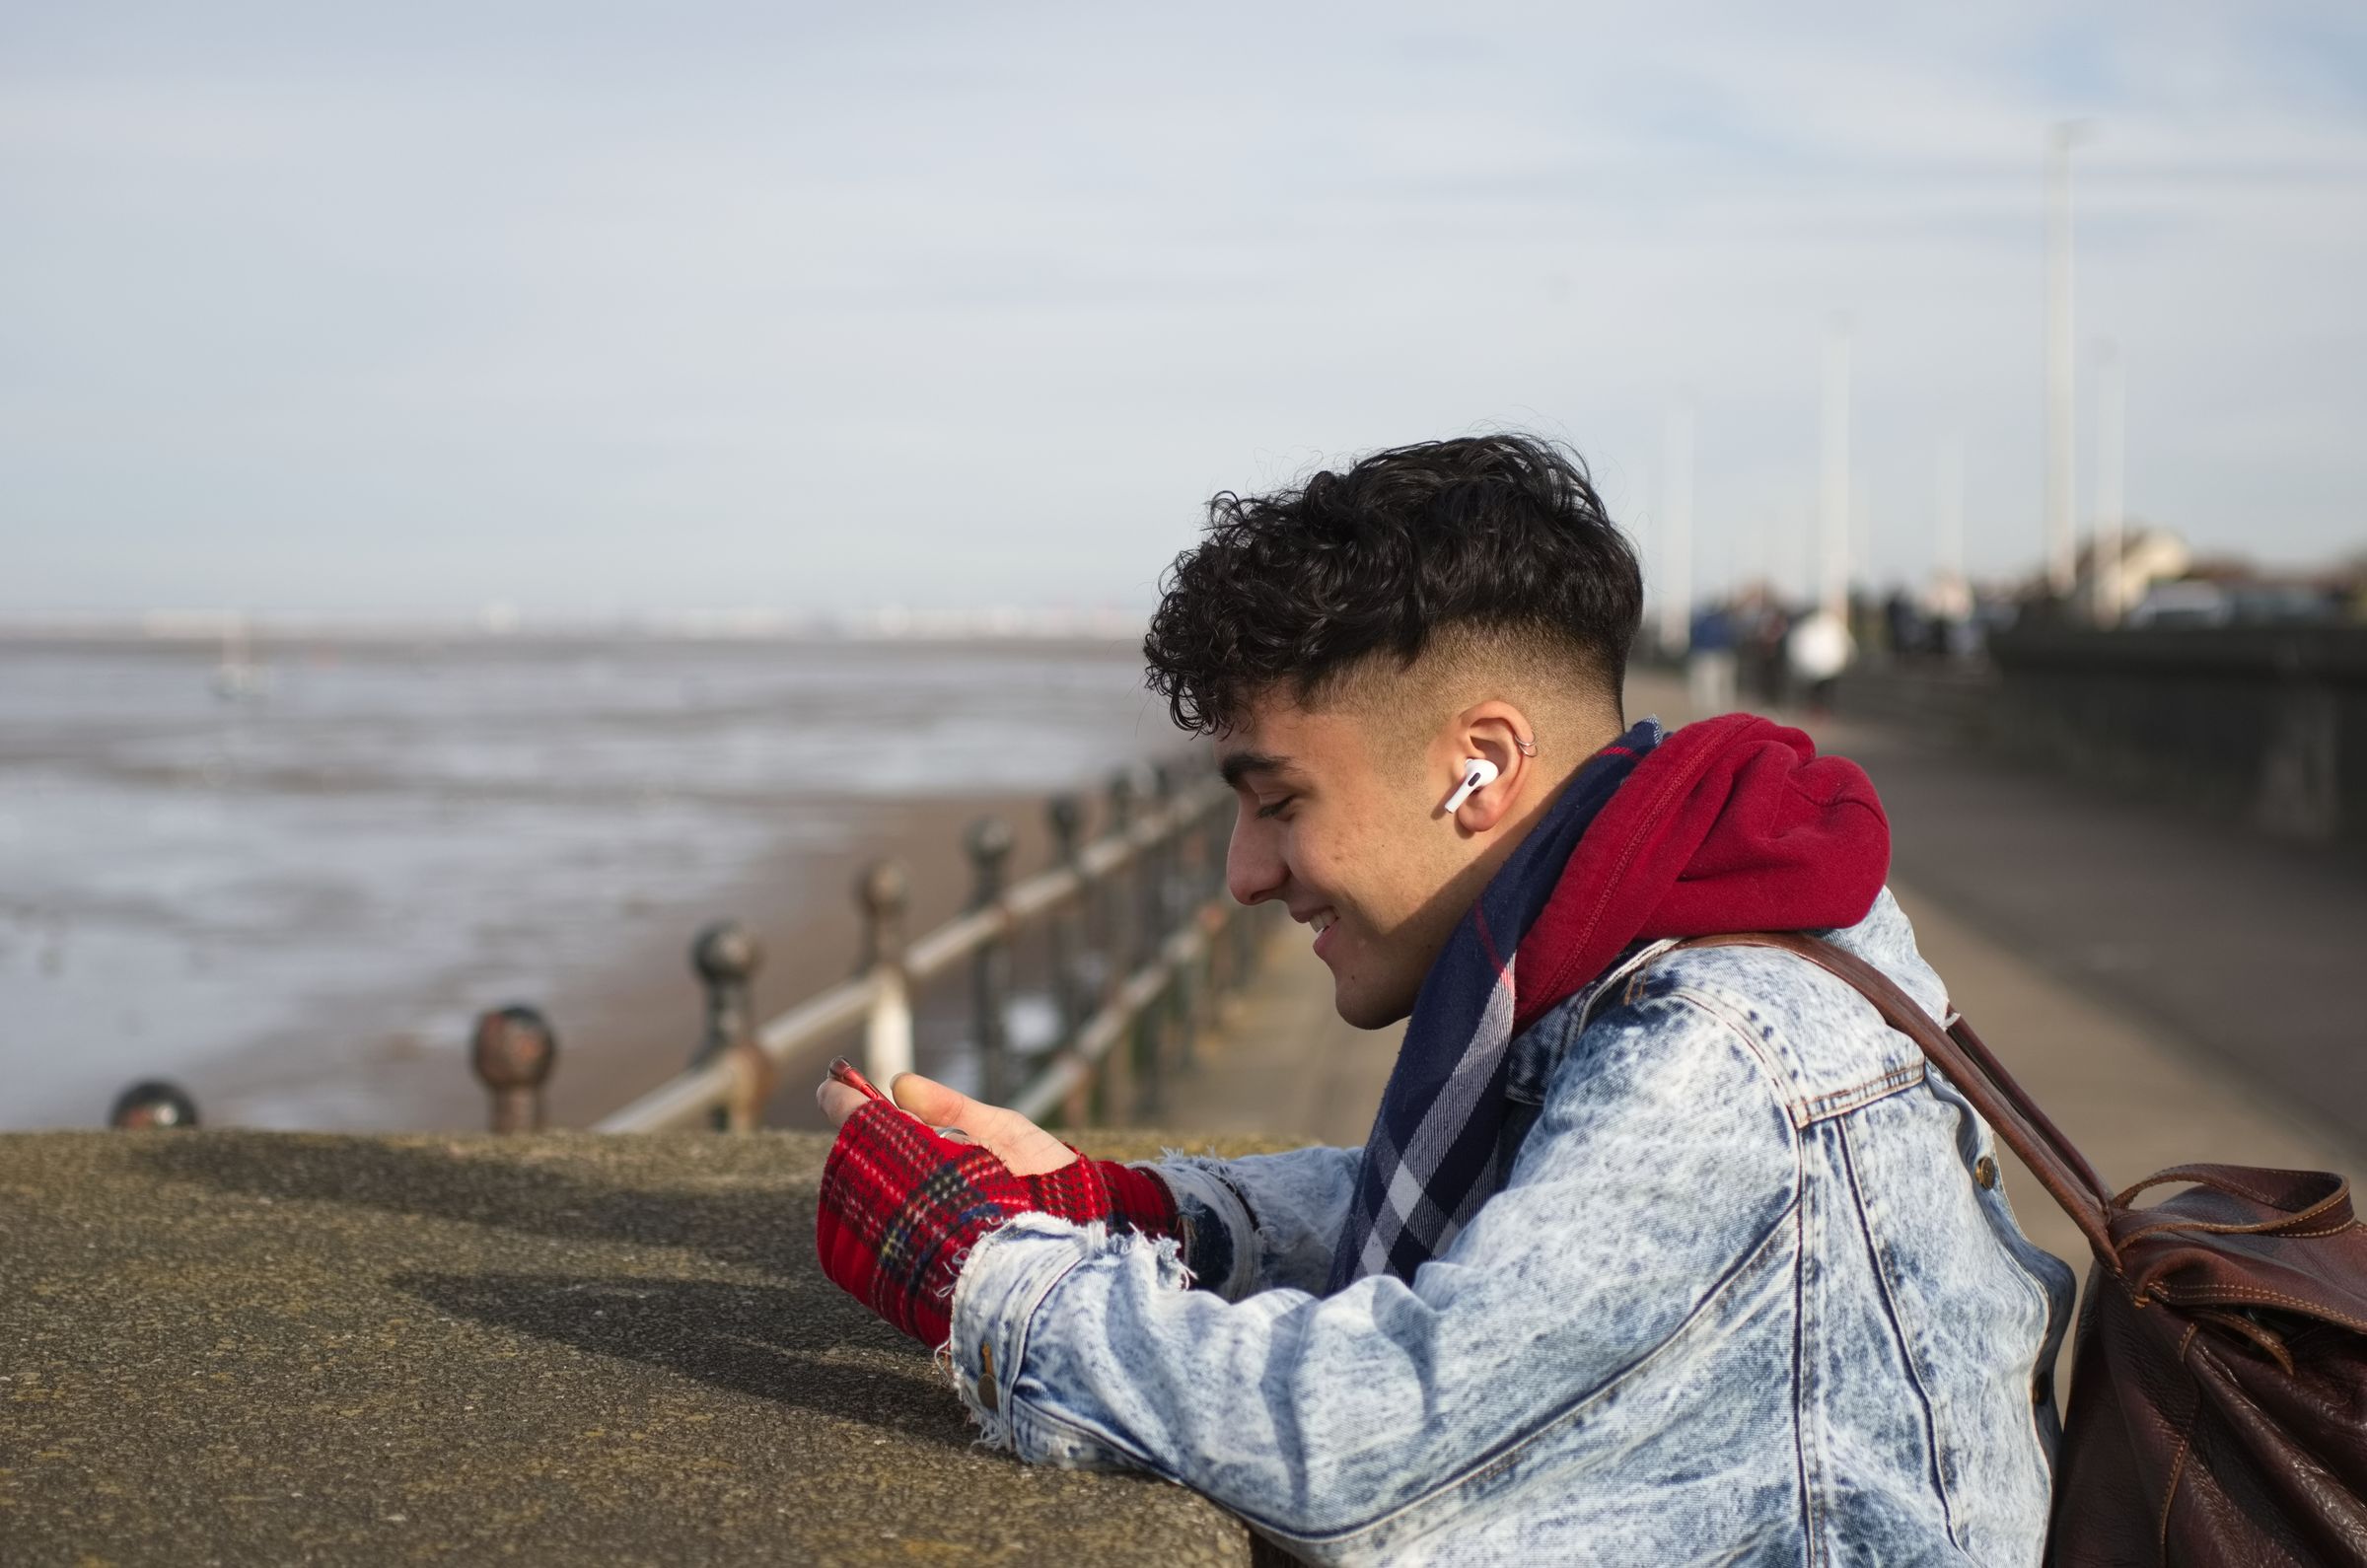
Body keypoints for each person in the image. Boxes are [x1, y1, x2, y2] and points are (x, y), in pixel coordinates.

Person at [815, 435, 2073, 1565]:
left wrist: (979, 1268)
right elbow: (1540, 1213)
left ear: (1482, 765)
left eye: (1281, 802)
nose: (1246, 876)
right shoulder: (1689, 906)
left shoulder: (1717, 1055)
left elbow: (1360, 1457)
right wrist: (1130, 1210)